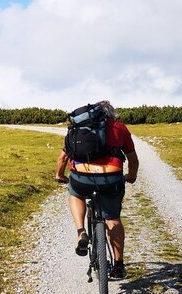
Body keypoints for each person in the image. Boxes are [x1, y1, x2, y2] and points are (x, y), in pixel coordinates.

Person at [54, 100, 139, 279]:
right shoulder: (119, 127)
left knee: (75, 193)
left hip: (82, 178)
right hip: (111, 179)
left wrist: (59, 176)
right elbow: (133, 159)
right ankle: (118, 265)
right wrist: (131, 175)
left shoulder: (79, 127)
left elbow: (63, 158)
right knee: (113, 218)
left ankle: (81, 231)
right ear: (111, 113)